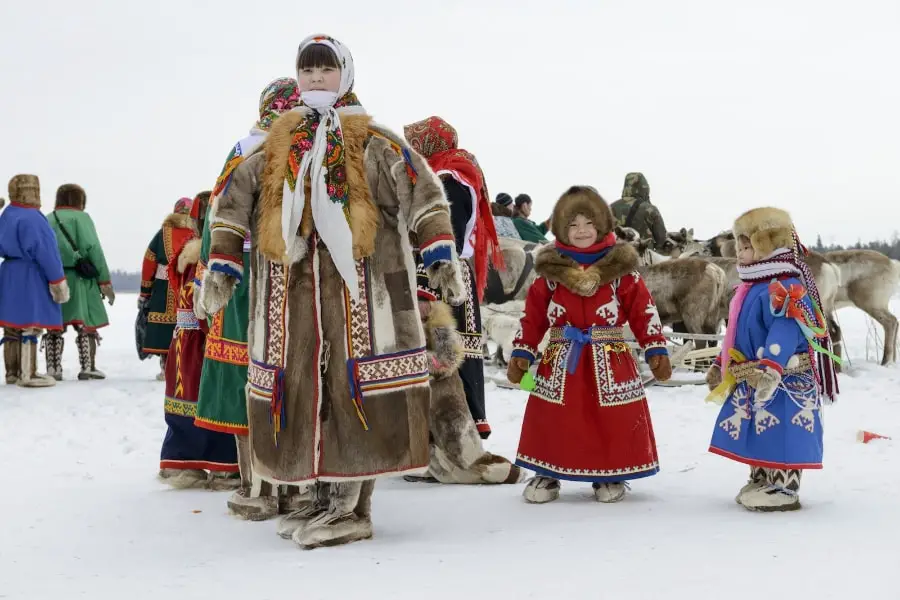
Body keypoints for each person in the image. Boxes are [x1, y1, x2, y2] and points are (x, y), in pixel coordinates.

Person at [198, 34, 463, 550]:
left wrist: (439, 254)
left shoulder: (374, 141)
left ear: (346, 74)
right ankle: (321, 496)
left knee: (354, 389)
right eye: (307, 71)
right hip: (292, 296)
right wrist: (223, 266)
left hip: (364, 295)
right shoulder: (279, 143)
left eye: (325, 70)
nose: (316, 79)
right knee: (304, 394)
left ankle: (353, 507)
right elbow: (232, 199)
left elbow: (422, 190)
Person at [506, 185, 671, 504]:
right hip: (561, 358)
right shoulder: (551, 274)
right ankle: (547, 472)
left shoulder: (623, 272)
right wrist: (522, 351)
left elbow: (643, 311)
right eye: (573, 225)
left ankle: (610, 474)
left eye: (588, 223)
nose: (581, 231)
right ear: (561, 230)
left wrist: (655, 348)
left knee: (609, 420)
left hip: (610, 356)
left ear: (602, 226)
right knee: (554, 417)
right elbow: (533, 317)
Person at [194, 77, 302, 521]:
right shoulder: (313, 148)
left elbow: (222, 220)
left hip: (245, 286)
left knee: (251, 378)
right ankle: (296, 486)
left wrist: (209, 274)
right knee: (296, 379)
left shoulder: (246, 149)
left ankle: (257, 488)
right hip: (300, 282)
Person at [705, 207, 838, 512]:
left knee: (784, 432)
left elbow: (786, 327)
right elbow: (735, 332)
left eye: (747, 245)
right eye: (738, 246)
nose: (739, 252)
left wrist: (772, 367)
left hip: (783, 378)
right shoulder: (750, 286)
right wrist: (719, 362)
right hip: (754, 375)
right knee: (758, 428)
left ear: (768, 244)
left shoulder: (786, 286)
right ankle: (762, 478)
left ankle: (783, 488)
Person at [404, 115, 502, 439]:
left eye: (415, 146)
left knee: (443, 352)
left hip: (441, 277)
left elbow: (447, 237)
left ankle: (449, 440)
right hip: (449, 275)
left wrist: (424, 288)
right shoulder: (456, 173)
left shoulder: (447, 179)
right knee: (454, 350)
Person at [158, 193, 240, 489]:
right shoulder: (210, 259)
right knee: (214, 400)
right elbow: (206, 306)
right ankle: (224, 467)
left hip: (182, 343)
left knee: (183, 399)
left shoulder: (184, 255)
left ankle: (182, 463)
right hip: (207, 340)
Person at [0, 174, 69, 387]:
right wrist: (58, 281)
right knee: (31, 324)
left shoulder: (7, 214)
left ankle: (11, 372)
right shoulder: (33, 218)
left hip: (9, 272)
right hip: (30, 274)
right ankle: (28, 373)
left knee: (12, 326)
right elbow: (47, 252)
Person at [44, 184, 115, 381]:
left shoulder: (48, 218)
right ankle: (88, 366)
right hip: (80, 279)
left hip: (53, 279)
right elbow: (94, 250)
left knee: (54, 325)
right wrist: (104, 281)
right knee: (85, 323)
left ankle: (53, 368)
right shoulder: (82, 218)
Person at [138, 198, 194, 380]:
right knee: (189, 327)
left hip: (164, 288)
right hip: (190, 288)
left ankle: (165, 367)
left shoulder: (163, 234)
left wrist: (145, 292)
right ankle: (185, 370)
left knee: (164, 329)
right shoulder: (198, 233)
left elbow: (149, 261)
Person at [610, 172, 670, 252]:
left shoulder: (610, 208)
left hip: (616, 259)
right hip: (642, 259)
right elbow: (662, 241)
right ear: (645, 188)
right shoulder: (650, 209)